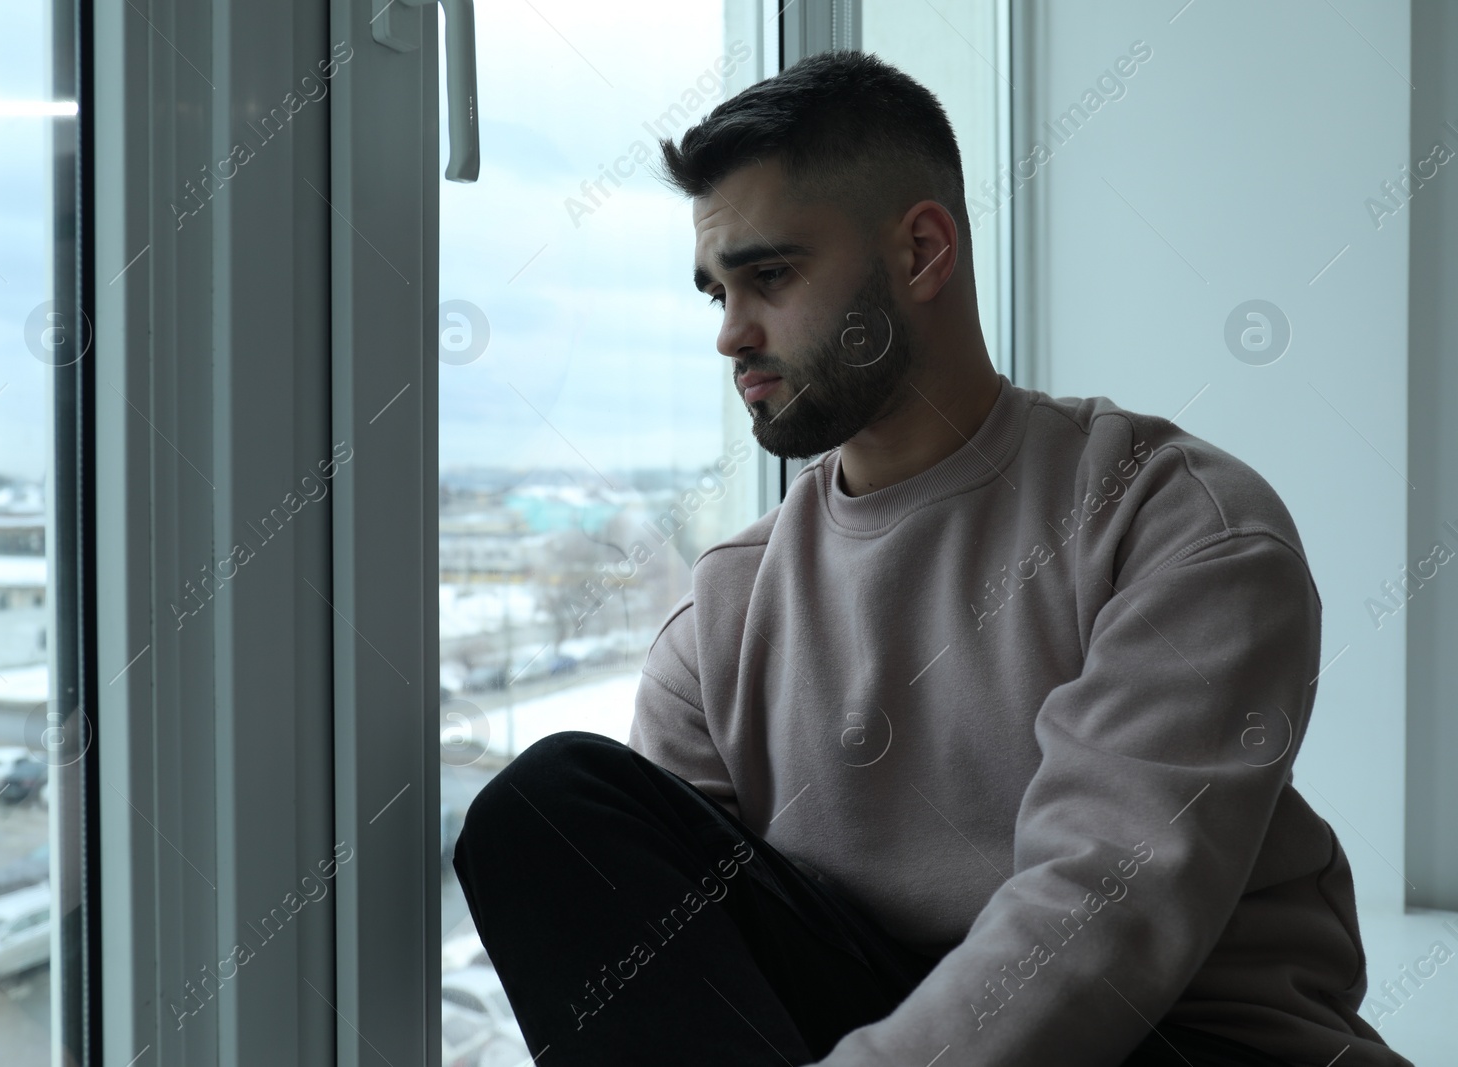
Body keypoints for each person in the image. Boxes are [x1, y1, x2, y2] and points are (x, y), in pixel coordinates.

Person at [454, 49, 1413, 1067]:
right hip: (880, 1022)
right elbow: (690, 979)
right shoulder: (722, 615)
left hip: (1182, 1039)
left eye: (770, 275)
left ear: (920, 253)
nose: (731, 333)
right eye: (715, 292)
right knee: (545, 811)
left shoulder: (1172, 519)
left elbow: (1106, 919)